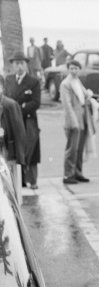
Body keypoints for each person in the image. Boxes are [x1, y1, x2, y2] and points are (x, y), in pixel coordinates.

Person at [5, 51, 41, 190]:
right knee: (14, 151)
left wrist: (17, 108)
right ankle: (18, 181)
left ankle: (32, 181)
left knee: (31, 152)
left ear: (26, 65)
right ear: (13, 65)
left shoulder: (33, 82)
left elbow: (35, 103)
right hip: (11, 122)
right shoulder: (8, 80)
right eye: (16, 63)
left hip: (28, 122)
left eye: (22, 63)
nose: (19, 66)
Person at [60, 59, 95, 184]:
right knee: (72, 148)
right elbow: (67, 105)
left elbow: (84, 95)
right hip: (73, 119)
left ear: (79, 69)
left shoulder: (77, 81)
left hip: (82, 117)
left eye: (76, 68)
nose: (74, 71)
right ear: (68, 69)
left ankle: (78, 172)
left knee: (80, 148)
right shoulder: (65, 84)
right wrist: (73, 122)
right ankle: (68, 175)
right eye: (72, 68)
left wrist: (88, 95)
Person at [0, 74, 27, 203]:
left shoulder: (10, 105)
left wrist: (19, 156)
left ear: (2, 87)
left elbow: (19, 133)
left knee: (10, 193)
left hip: (7, 153)